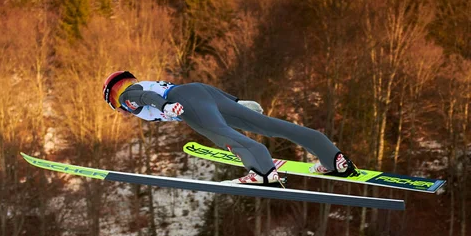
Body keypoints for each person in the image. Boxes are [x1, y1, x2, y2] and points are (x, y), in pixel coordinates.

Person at [102, 71, 357, 186]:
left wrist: (167, 107)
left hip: (186, 101)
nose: (120, 105)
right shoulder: (144, 84)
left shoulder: (128, 97)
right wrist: (236, 104)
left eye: (114, 102)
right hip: (202, 92)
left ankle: (263, 172)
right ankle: (333, 158)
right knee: (269, 126)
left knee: (222, 134)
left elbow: (147, 99)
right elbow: (188, 92)